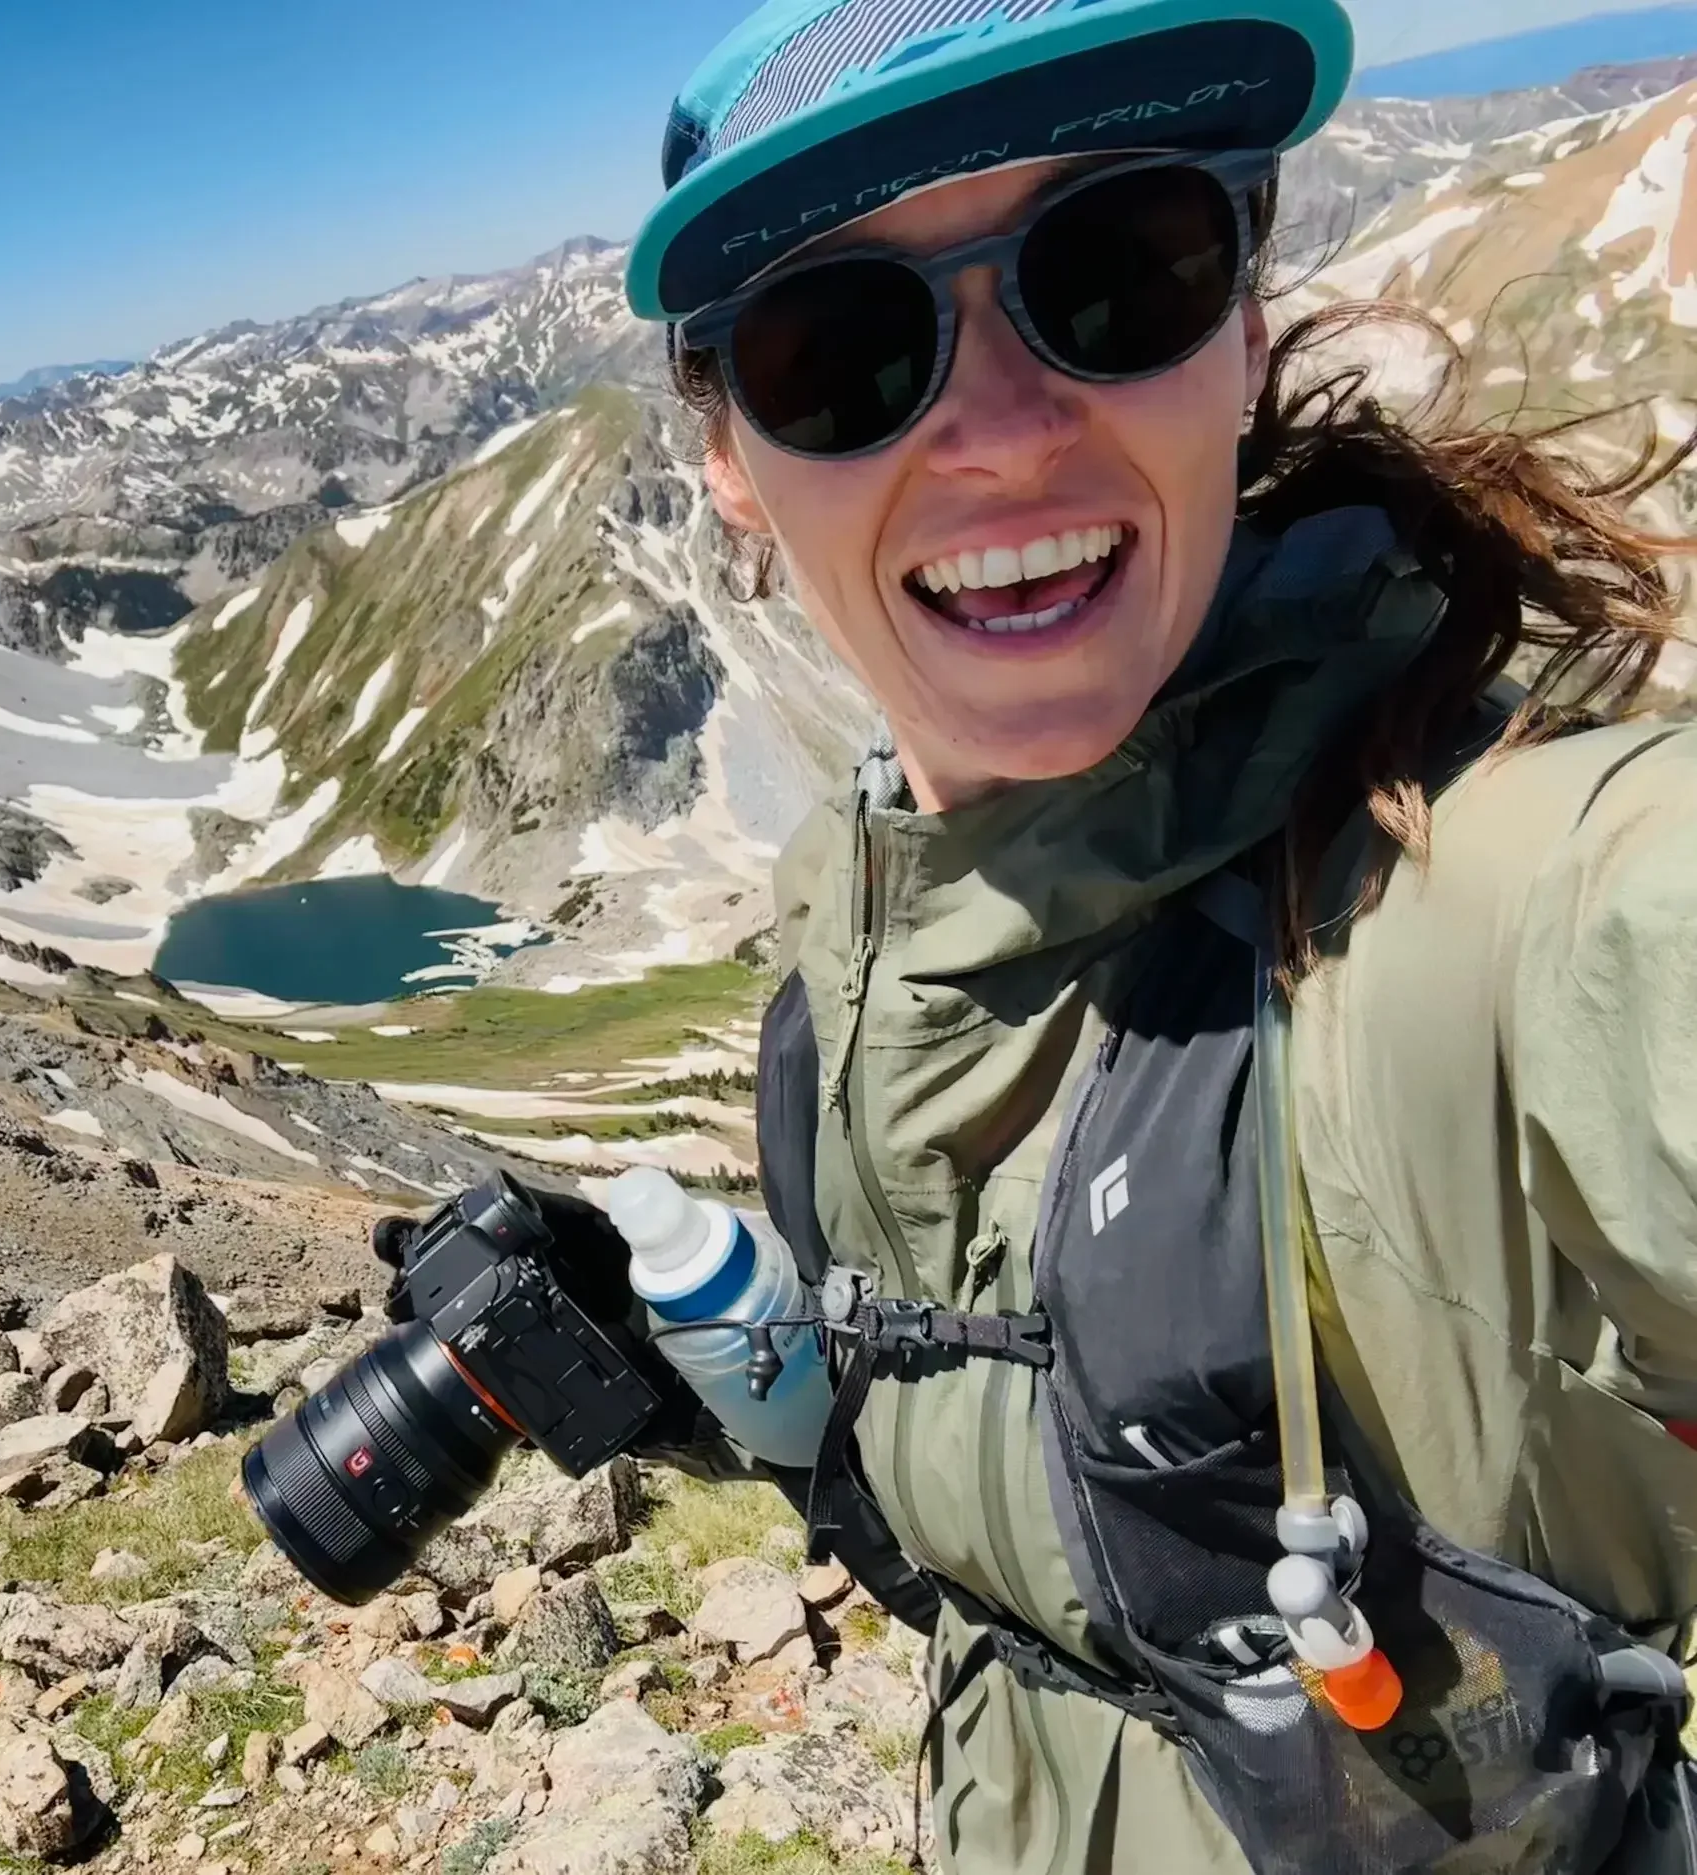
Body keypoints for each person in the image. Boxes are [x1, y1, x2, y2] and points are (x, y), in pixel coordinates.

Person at [618, 1, 1697, 1870]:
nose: (1006, 431)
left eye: (1118, 266)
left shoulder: (1535, 902)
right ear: (727, 455)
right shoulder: (846, 985)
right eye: (838, 348)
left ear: (1249, 320)